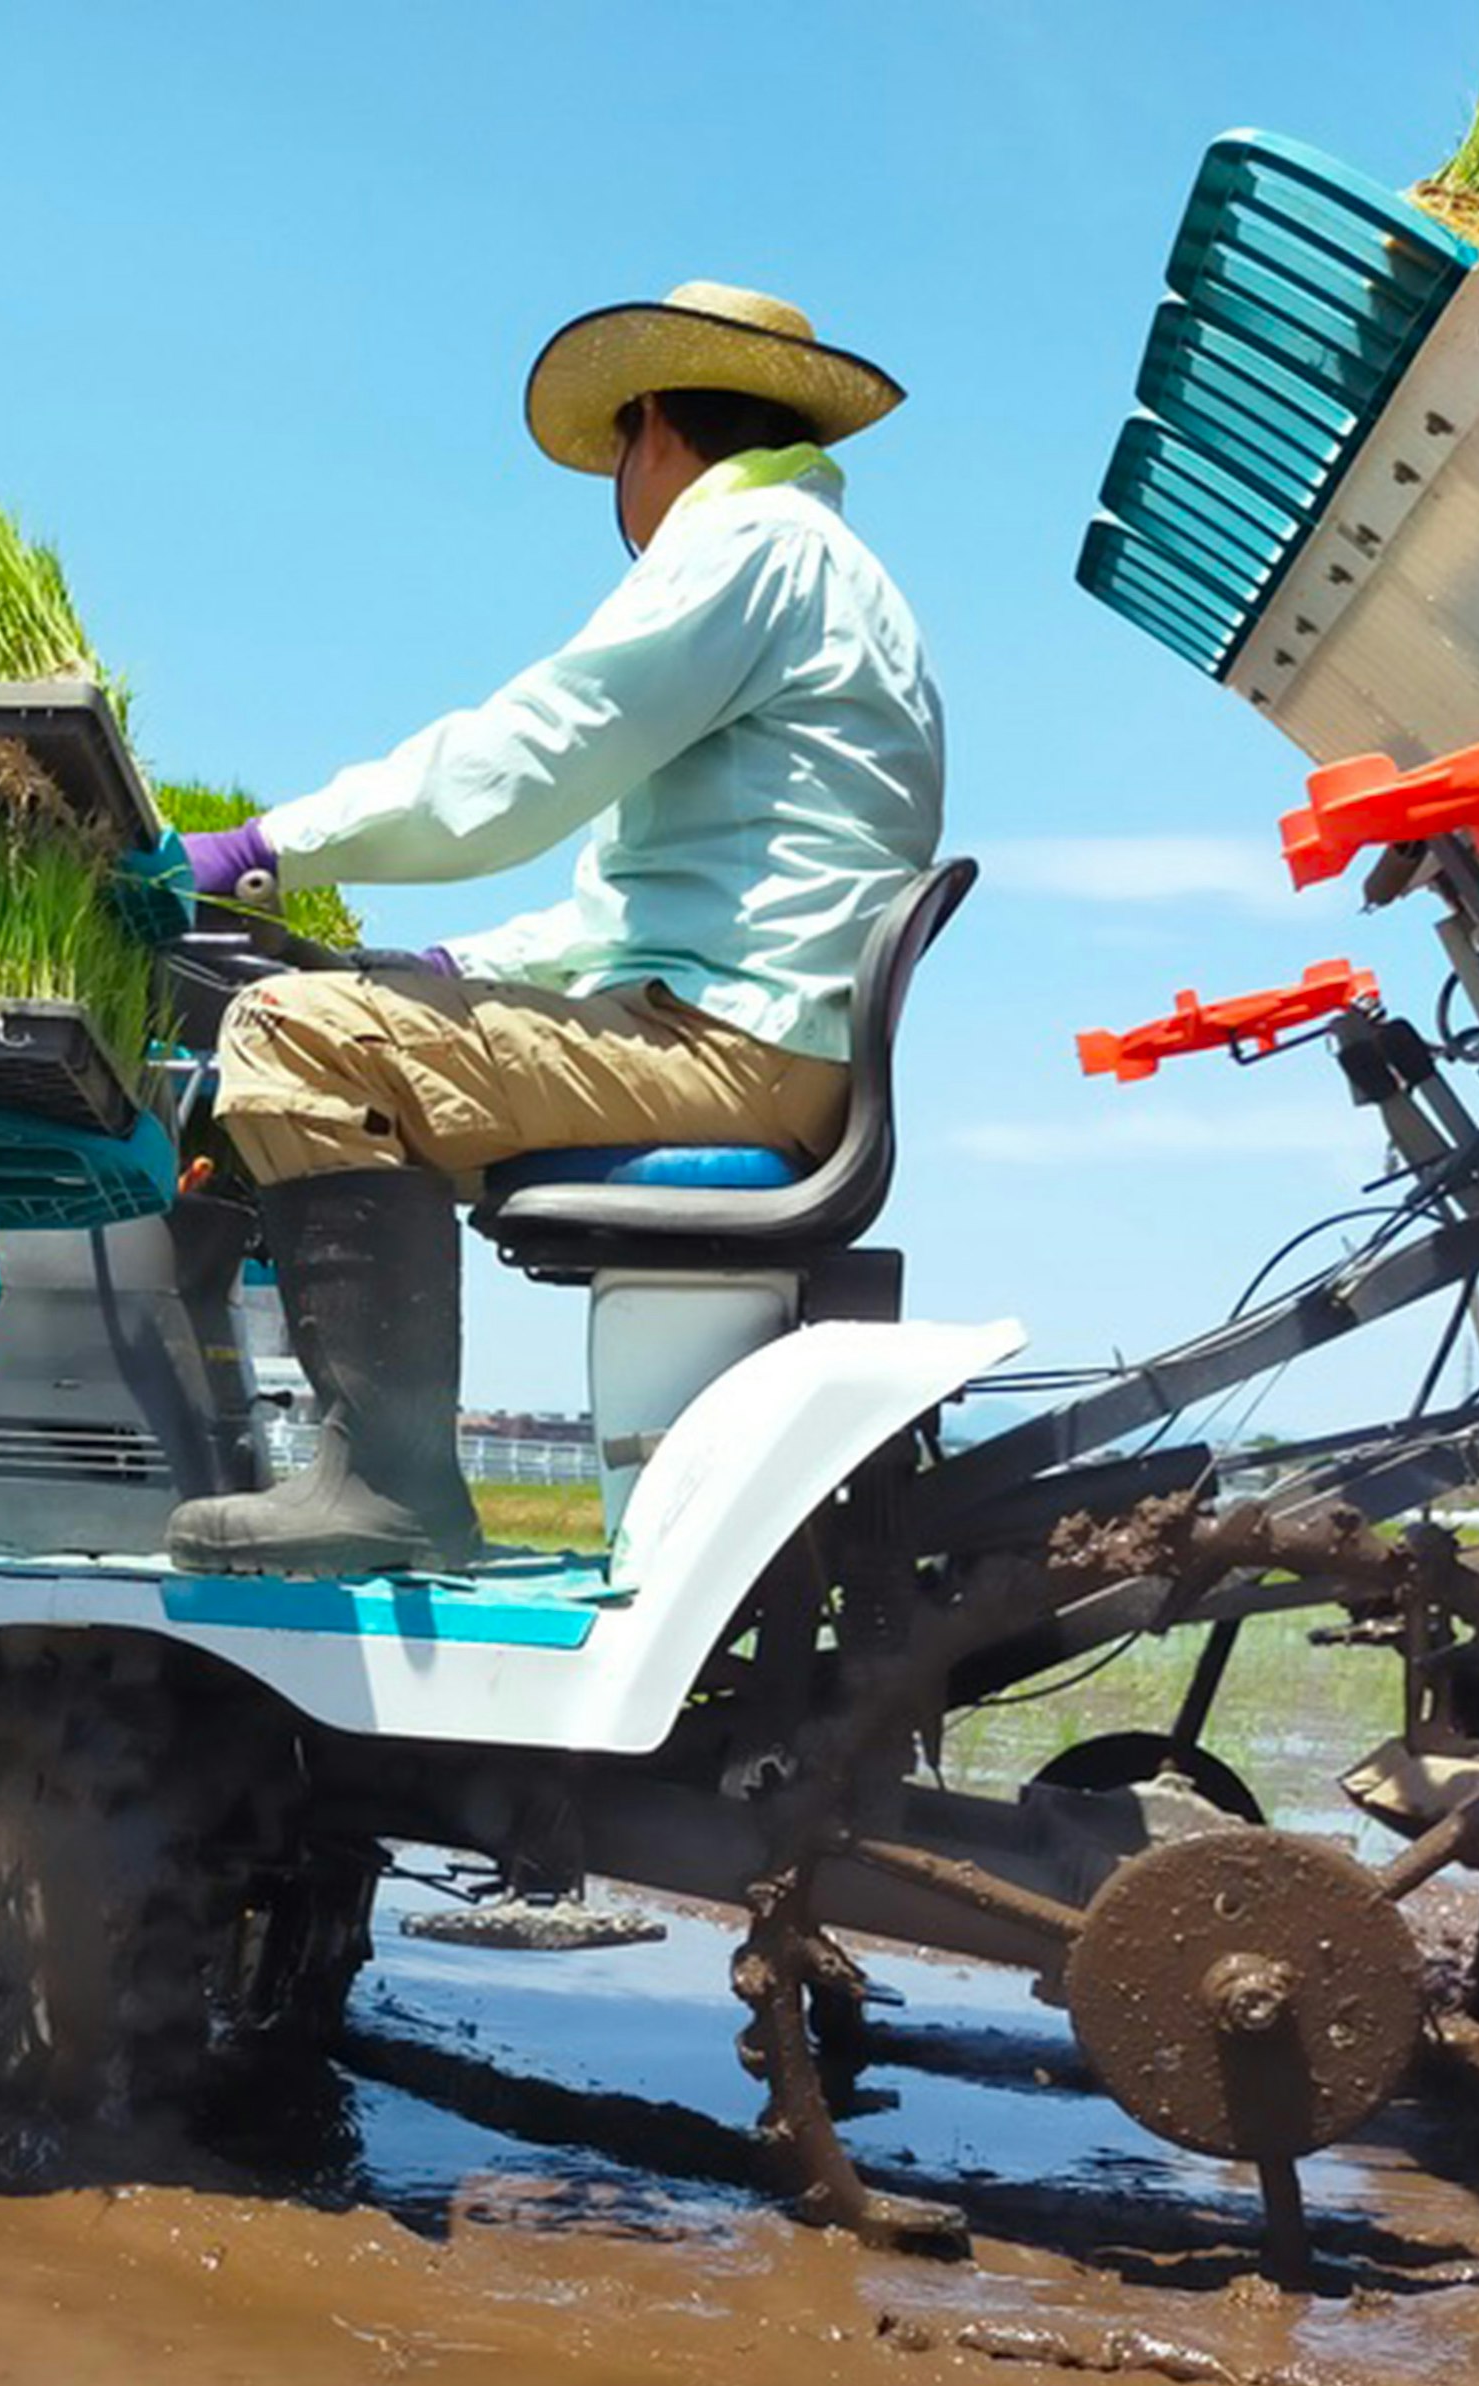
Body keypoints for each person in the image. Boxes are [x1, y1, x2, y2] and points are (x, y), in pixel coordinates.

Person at [156, 280, 945, 1577]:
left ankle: (387, 1487)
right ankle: (379, 1478)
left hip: (726, 1048)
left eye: (618, 455)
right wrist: (457, 969)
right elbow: (630, 906)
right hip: (751, 1035)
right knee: (358, 1018)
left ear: (653, 428)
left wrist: (261, 850)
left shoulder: (743, 546)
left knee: (292, 1035)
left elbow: (524, 758)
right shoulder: (811, 566)